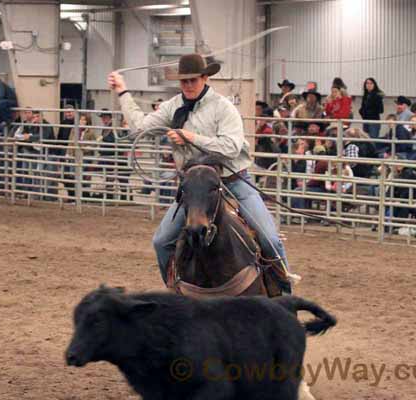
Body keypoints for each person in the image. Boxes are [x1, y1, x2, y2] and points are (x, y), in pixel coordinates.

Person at [107, 53, 293, 293]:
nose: (188, 86)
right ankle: (176, 289)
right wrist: (123, 92)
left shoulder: (223, 108)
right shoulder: (172, 107)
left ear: (205, 78)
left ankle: (284, 296)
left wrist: (190, 137)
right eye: (184, 81)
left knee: (270, 238)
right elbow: (141, 127)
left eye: (193, 80)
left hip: (233, 180)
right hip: (196, 188)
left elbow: (231, 146)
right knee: (162, 242)